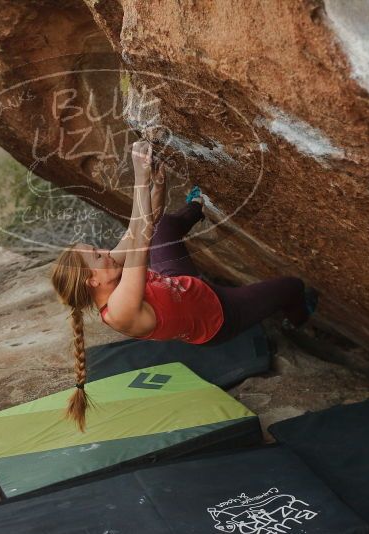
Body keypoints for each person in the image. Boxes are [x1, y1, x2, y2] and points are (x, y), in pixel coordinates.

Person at [50, 140, 317, 431]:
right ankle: (298, 319)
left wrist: (157, 187)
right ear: (93, 280)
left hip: (180, 283)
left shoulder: (107, 272)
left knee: (164, 226)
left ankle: (197, 206)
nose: (106, 251)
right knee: (292, 286)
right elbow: (140, 242)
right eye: (98, 255)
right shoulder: (119, 311)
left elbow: (139, 226)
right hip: (220, 314)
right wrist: (140, 178)